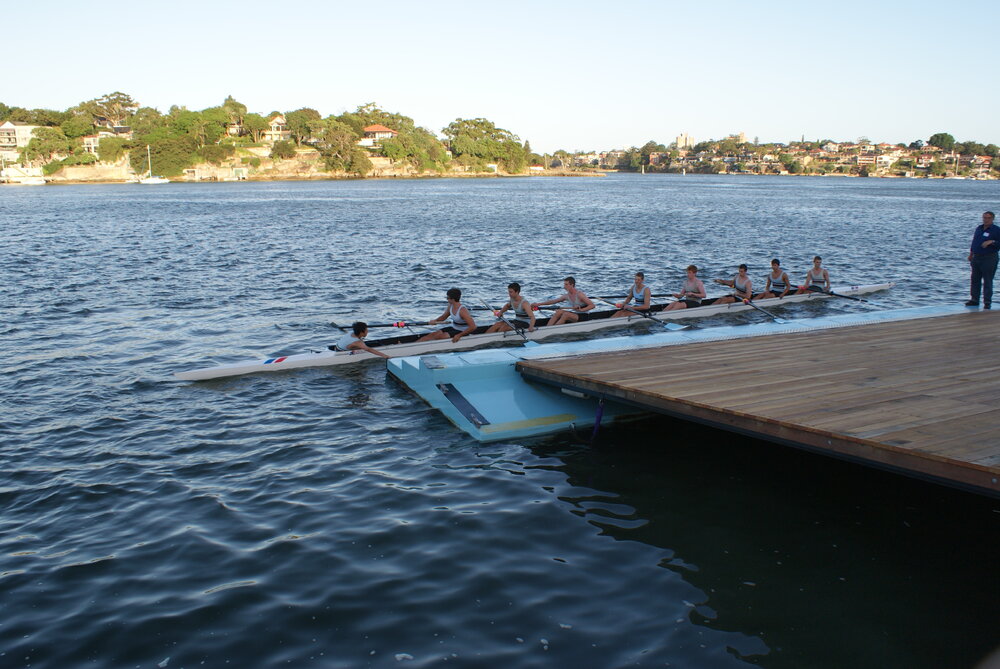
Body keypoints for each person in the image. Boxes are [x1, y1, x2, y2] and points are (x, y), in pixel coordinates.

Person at [967, 211, 998, 309]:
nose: (986, 220)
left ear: (992, 219)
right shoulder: (979, 228)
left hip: (989, 257)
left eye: (988, 218)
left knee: (987, 280)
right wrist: (971, 254)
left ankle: (987, 302)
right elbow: (974, 241)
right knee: (975, 279)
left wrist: (992, 241)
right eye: (984, 218)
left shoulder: (996, 230)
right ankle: (974, 300)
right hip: (977, 257)